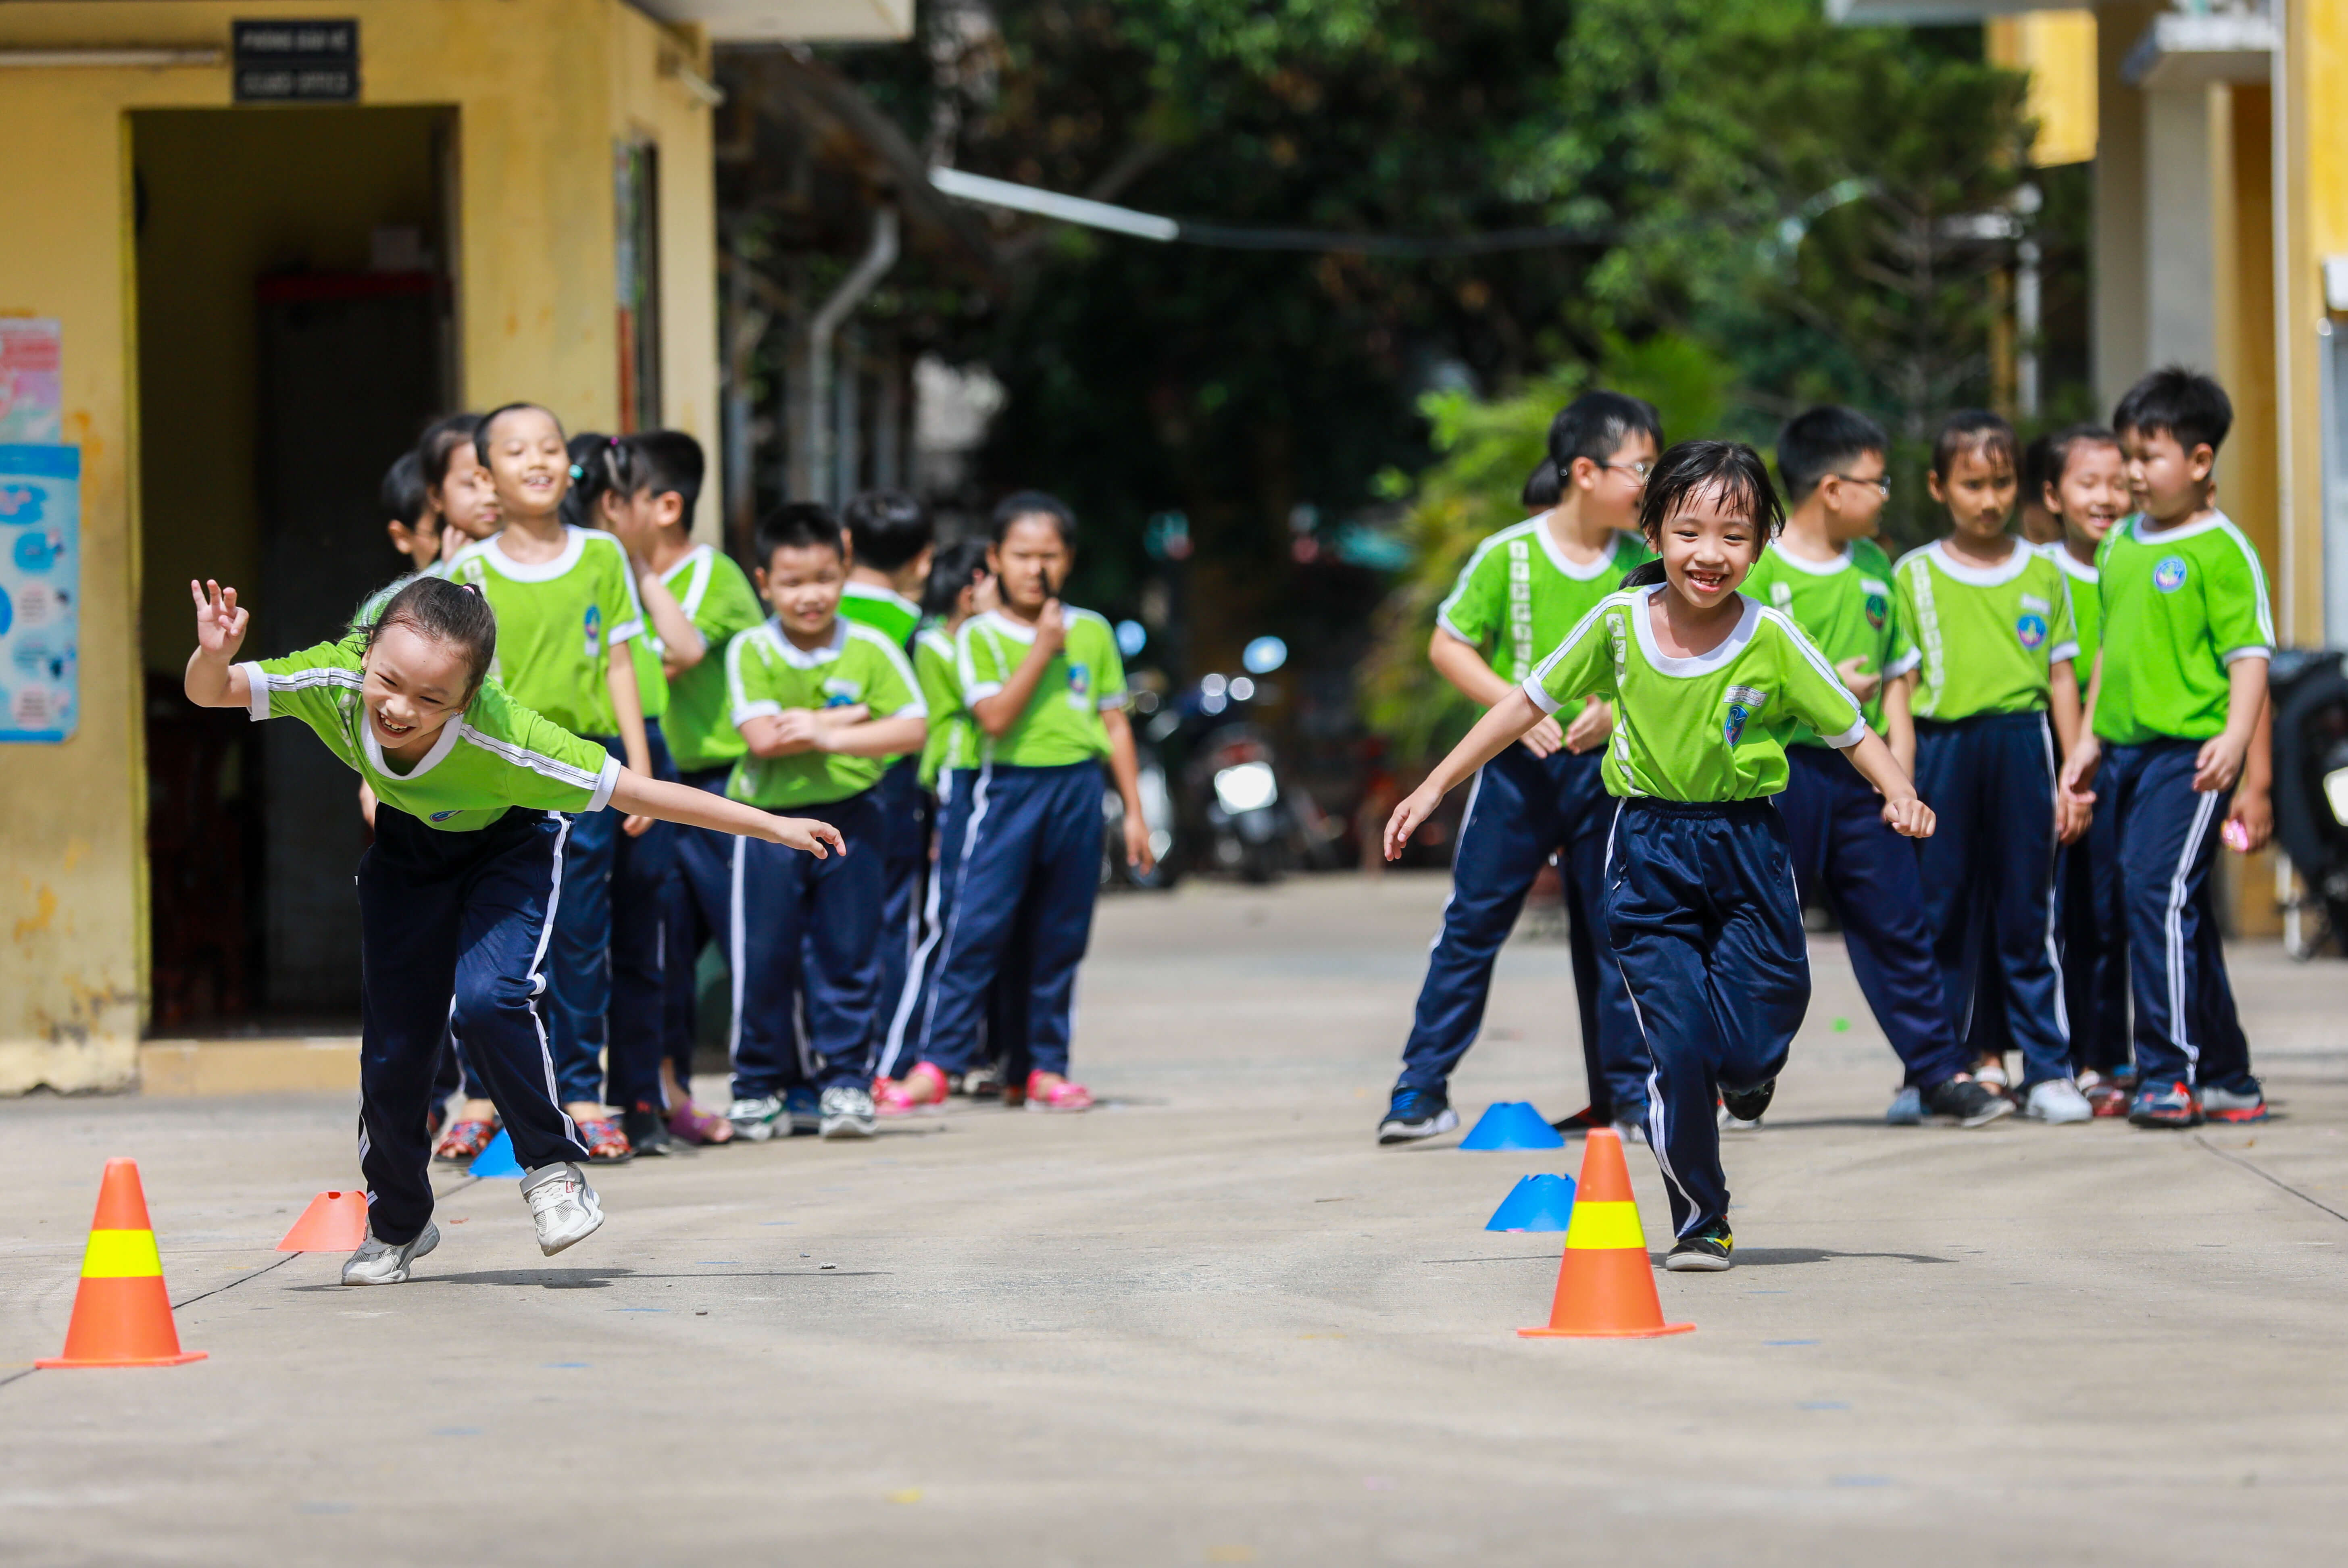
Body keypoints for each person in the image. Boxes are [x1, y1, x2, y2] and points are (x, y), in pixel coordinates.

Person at [182, 575, 840, 1285]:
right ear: (367, 652)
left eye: (432, 699)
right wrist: (213, 655)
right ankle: (398, 1225)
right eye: (390, 682)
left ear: (468, 700)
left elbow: (640, 793)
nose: (400, 708)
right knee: (395, 1052)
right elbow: (208, 692)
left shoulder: (508, 740)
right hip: (409, 855)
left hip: (507, 851)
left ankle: (554, 1169)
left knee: (490, 999)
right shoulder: (336, 679)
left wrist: (772, 825)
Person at [1383, 441, 1933, 1271]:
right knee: (1675, 1046)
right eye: (1688, 532)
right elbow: (1522, 705)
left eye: (1733, 536)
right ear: (1653, 534)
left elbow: (1848, 729)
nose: (1708, 555)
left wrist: (1897, 791)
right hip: (1645, 852)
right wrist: (1433, 786)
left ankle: (1747, 1077)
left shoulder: (1772, 636)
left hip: (1748, 844)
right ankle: (1700, 1217)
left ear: (1759, 545)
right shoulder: (1614, 624)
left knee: (1757, 1031)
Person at [1378, 390, 1660, 1147]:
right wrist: (1516, 708)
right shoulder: (1508, 554)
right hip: (1516, 776)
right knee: (1473, 924)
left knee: (1616, 931)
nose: (1652, 481)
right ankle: (1420, 1090)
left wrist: (1614, 707)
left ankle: (1629, 1098)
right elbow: (1449, 645)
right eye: (1642, 466)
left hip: (1610, 776)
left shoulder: (1649, 562)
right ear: (1583, 471)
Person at [1750, 408, 2009, 1129]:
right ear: (1831, 488)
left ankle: (1938, 1071)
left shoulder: (1873, 568)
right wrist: (1818, 681)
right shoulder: (1759, 566)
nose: (1886, 494)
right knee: (1766, 931)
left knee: (1899, 925)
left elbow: (1899, 678)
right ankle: (1738, 1070)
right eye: (1876, 480)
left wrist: (1900, 776)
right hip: (1782, 777)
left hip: (1861, 782)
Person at [890, 492, 1154, 1114]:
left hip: (1078, 789)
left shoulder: (1092, 631)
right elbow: (996, 716)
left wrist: (1136, 813)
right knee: (976, 927)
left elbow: (1114, 723)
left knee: (1060, 933)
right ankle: (938, 1062)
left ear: (1069, 560)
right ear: (996, 559)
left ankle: (1043, 1067)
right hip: (1006, 789)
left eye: (1050, 555)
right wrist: (1042, 647)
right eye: (1022, 555)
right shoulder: (977, 636)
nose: (1037, 568)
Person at [2060, 367, 2274, 1127]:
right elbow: (2111, 650)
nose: (2133, 475)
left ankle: (2167, 1071)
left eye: (2149, 458)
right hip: (2121, 753)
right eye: (2128, 457)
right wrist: (2086, 741)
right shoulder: (2120, 544)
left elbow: (2251, 655)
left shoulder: (2222, 551)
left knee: (2157, 896)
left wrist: (2237, 740)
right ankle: (2229, 1072)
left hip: (2190, 755)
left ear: (2201, 460)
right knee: (2165, 908)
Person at [446, 404, 652, 1162]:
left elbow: (621, 664)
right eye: (516, 449)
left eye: (551, 446)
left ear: (571, 464)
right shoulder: (463, 572)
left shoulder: (603, 555)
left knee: (582, 933)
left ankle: (585, 1092)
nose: (537, 460)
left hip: (587, 766)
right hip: (496, 766)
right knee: (490, 937)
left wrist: (638, 771)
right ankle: (479, 1094)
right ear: (486, 474)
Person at [1893, 410, 2093, 1125]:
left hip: (2021, 745)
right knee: (1938, 914)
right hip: (1942, 746)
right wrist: (1902, 781)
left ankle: (2047, 1068)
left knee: (2026, 914)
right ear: (1939, 486)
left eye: (2001, 482)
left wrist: (2073, 771)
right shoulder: (1912, 574)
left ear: (2022, 487)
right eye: (1972, 483)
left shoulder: (2045, 570)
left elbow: (2063, 677)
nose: (1989, 498)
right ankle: (1935, 1072)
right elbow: (1901, 686)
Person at [722, 503, 927, 1141]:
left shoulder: (872, 646)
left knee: (849, 949)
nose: (810, 596)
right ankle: (758, 1085)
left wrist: (820, 729)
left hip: (856, 817)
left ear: (843, 572)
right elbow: (760, 736)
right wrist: (854, 717)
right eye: (791, 582)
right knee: (765, 954)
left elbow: (914, 726)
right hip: (767, 821)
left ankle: (845, 1079)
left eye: (823, 578)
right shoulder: (750, 648)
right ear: (764, 582)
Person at [569, 433, 712, 1156]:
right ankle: (577, 1097)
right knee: (578, 938)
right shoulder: (564, 571)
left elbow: (686, 649)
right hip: (582, 752)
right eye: (618, 499)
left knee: (643, 934)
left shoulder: (618, 568)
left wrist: (626, 559)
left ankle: (640, 1099)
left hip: (645, 748)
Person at [627, 430, 757, 1145]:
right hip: (653, 787)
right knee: (662, 945)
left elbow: (661, 662)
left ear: (667, 506)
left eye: (623, 498)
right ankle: (668, 1088)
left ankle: (782, 1080)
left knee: (751, 941)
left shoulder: (713, 577)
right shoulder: (613, 576)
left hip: (721, 785)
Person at [2035, 423, 2134, 1113]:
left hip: (2131, 755)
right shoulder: (2040, 570)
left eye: (2119, 483)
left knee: (2113, 915)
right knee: (2058, 916)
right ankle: (2058, 1058)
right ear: (2053, 495)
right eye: (2088, 483)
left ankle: (2107, 1055)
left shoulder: (2137, 558)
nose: (2107, 497)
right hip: (2056, 762)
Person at [876, 537, 994, 1098]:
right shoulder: (937, 644)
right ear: (971, 589)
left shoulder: (974, 639)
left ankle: (971, 1049)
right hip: (952, 777)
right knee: (943, 917)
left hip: (984, 778)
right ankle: (901, 1055)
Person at [837, 489, 938, 1091]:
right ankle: (886, 1059)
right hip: (894, 796)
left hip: (804, 794)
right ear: (923, 560)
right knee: (891, 924)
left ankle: (830, 1056)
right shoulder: (916, 630)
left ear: (845, 545)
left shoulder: (812, 615)